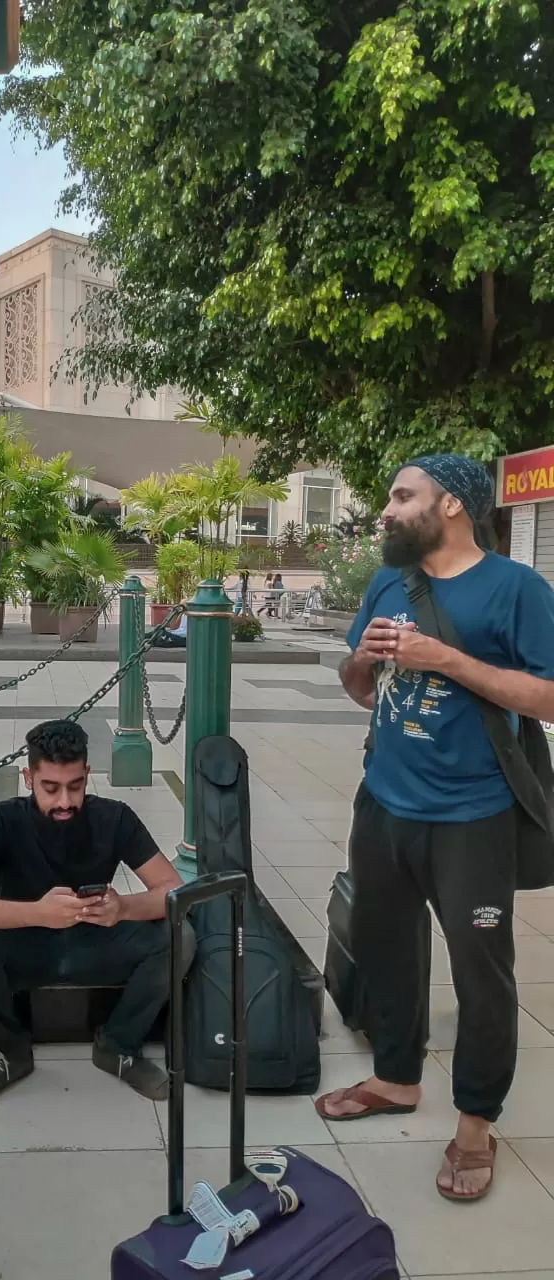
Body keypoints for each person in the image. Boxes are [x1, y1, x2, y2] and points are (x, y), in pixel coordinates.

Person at [316, 453, 554, 1204]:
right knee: (386, 948)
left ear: (452, 505)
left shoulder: (516, 587)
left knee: (483, 976)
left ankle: (476, 1123)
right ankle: (396, 1077)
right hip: (384, 802)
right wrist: (363, 660)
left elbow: (547, 697)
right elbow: (359, 690)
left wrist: (443, 657)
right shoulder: (390, 579)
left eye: (401, 495)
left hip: (471, 817)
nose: (386, 510)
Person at [0, 720, 195, 1109]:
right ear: (28, 778)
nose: (64, 801)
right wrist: (38, 913)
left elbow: (174, 891)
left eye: (75, 786)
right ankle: (10, 1053)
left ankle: (118, 1045)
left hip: (94, 942)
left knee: (182, 936)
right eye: (50, 788)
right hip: (24, 946)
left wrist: (123, 907)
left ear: (88, 775)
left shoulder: (114, 817)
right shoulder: (2, 820)